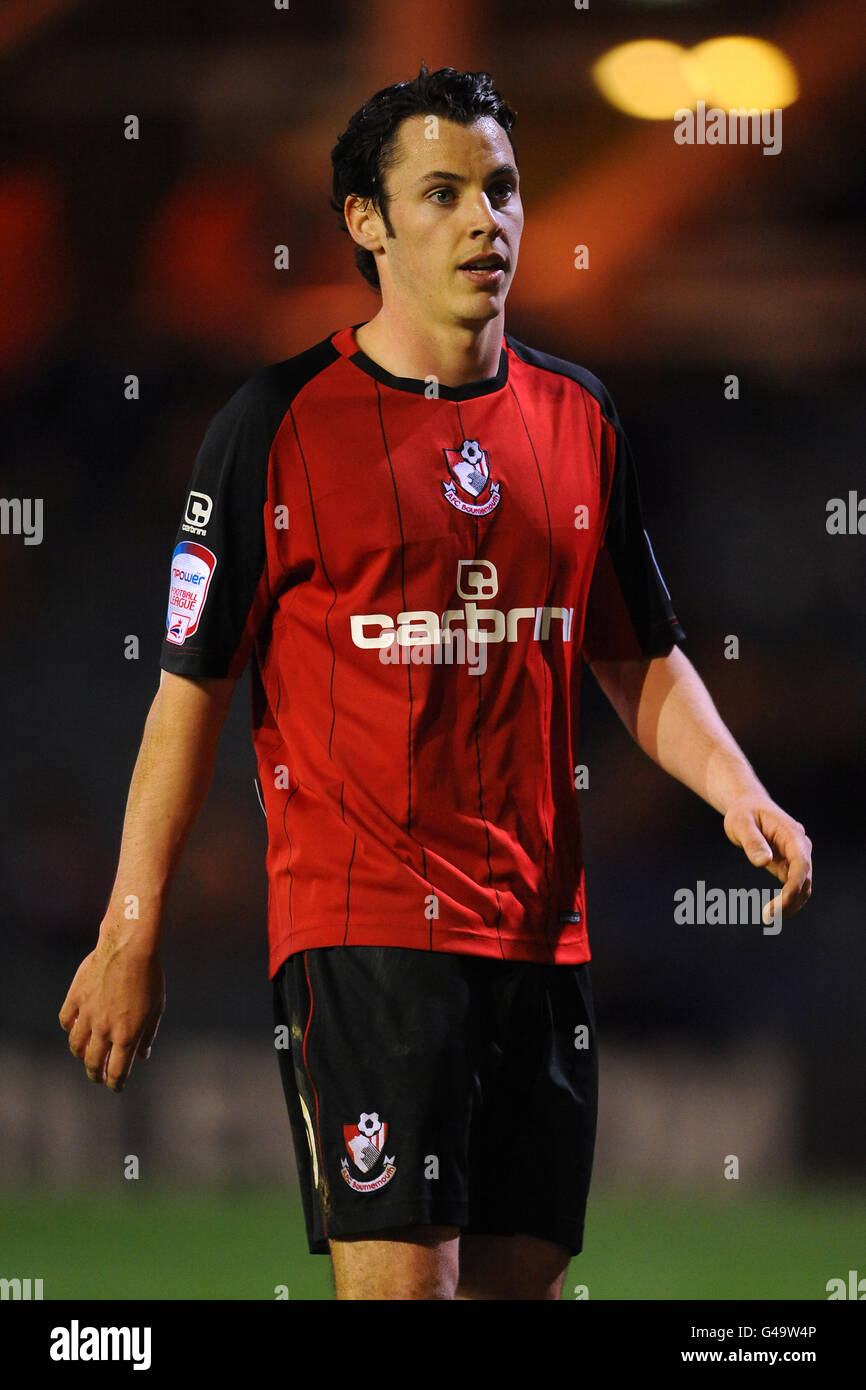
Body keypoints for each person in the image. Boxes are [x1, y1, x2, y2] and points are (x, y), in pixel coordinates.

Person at [59, 64, 812, 1301]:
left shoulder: (580, 420)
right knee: (405, 1291)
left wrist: (740, 793)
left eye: (503, 189)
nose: (486, 220)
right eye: (444, 191)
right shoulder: (273, 424)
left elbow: (635, 654)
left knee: (520, 1291)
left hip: (538, 932)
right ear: (367, 220)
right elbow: (186, 692)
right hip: (360, 936)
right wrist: (127, 929)